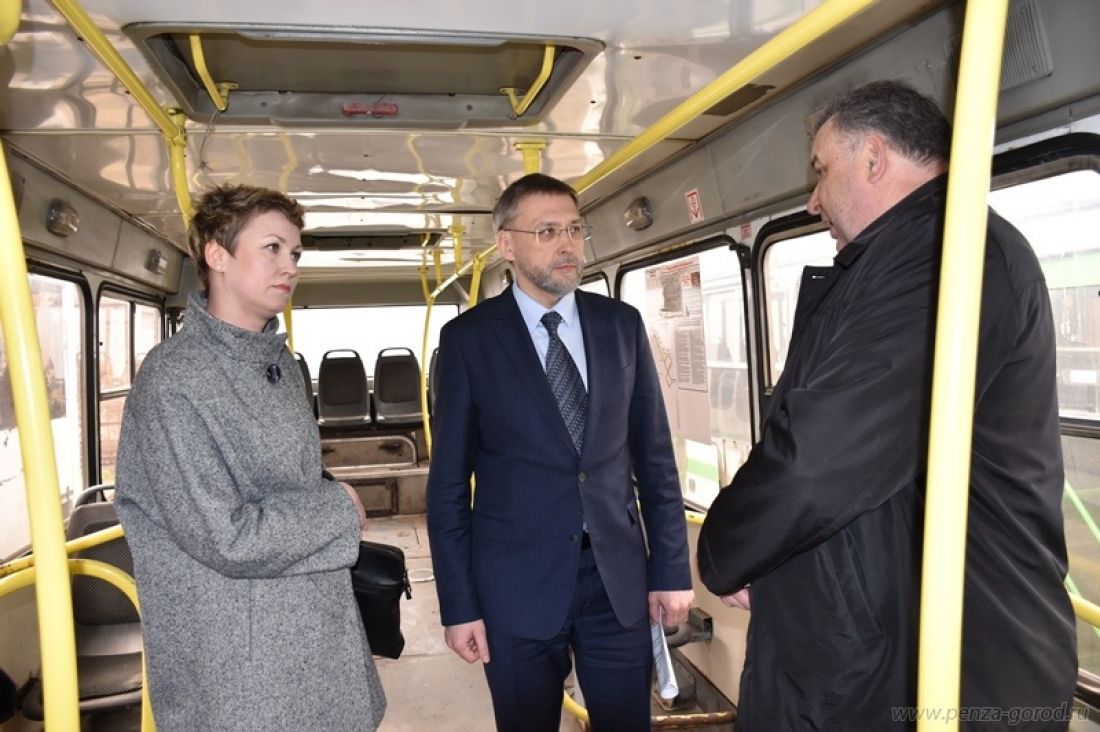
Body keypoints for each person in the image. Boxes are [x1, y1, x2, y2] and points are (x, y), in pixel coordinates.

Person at [697, 80, 1077, 730]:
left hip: (948, 668)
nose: (813, 200)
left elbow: (819, 459)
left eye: (821, 171)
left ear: (873, 157)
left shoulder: (951, 259)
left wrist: (725, 548)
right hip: (880, 645)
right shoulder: (901, 261)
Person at [427, 173, 694, 731]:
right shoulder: (469, 341)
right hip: (514, 587)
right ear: (507, 244)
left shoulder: (620, 325)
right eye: (547, 231)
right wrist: (460, 605)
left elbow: (655, 459)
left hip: (617, 582)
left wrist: (671, 570)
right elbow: (448, 488)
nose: (567, 244)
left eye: (574, 229)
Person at [115, 184, 386, 731]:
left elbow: (292, 480)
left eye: (295, 253)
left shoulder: (278, 364)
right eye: (272, 248)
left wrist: (327, 496)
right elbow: (226, 536)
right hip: (239, 663)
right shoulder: (173, 380)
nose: (290, 266)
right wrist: (340, 506)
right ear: (217, 255)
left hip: (314, 634)